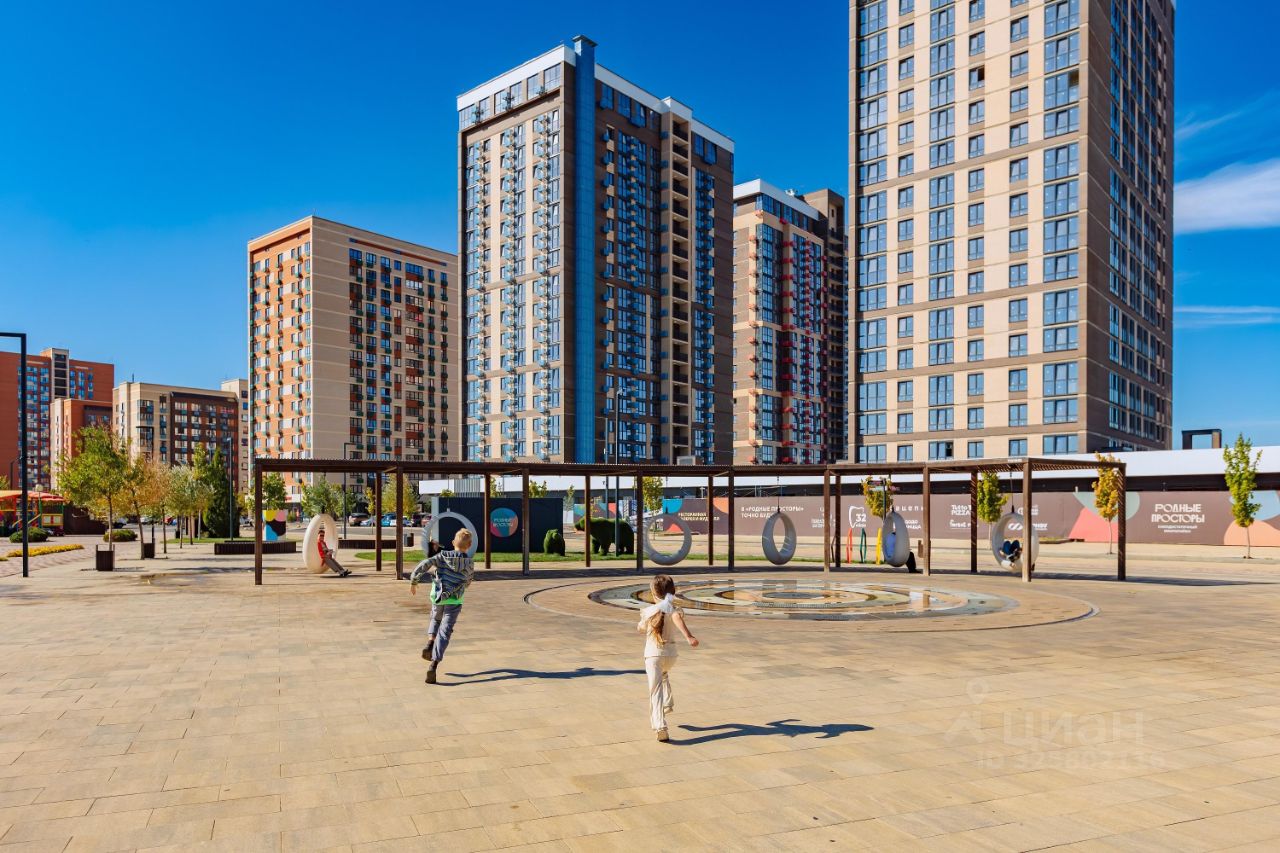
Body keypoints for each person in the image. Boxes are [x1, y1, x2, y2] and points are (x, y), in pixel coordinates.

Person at [637, 574, 699, 743]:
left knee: (655, 691)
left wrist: (644, 624)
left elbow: (640, 628)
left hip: (653, 655)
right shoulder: (674, 609)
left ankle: (660, 727)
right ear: (673, 591)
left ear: (653, 593)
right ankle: (668, 704)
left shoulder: (649, 611)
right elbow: (676, 618)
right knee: (663, 674)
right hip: (671, 656)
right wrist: (689, 637)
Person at [410, 529, 476, 684]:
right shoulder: (469, 563)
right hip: (454, 600)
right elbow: (468, 580)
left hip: (438, 597)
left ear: (453, 543)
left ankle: (430, 642)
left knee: (435, 619)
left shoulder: (442, 556)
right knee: (445, 632)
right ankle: (434, 664)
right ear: (469, 545)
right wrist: (463, 583)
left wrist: (414, 580)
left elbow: (425, 564)